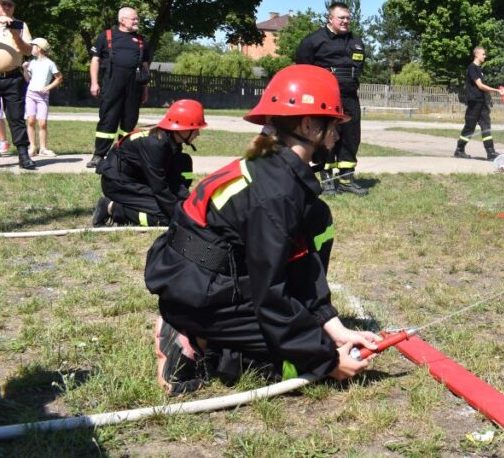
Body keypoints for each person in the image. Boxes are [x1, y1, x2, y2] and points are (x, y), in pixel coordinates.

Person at [144, 65, 379, 395]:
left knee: (308, 334)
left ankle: (202, 328)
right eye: (333, 124)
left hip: (196, 278)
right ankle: (190, 337)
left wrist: (334, 329)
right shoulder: (276, 192)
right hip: (197, 292)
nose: (337, 134)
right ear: (309, 125)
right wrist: (327, 359)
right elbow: (271, 292)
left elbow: (298, 260)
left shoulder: (274, 168)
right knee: (282, 361)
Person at [92, 99, 206, 228]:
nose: (198, 133)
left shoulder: (170, 139)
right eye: (195, 128)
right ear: (183, 128)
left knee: (183, 161)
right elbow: (160, 188)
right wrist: (179, 215)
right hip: (117, 184)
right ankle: (111, 207)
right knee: (165, 217)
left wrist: (187, 204)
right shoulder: (156, 144)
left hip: (136, 180)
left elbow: (171, 180)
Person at [295, 1, 368, 196]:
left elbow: (360, 67)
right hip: (324, 98)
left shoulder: (357, 41)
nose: (345, 21)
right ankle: (326, 179)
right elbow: (302, 69)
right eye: (341, 18)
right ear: (330, 18)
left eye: (348, 18)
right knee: (326, 137)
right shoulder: (313, 40)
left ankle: (346, 179)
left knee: (351, 137)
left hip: (350, 97)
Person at [88, 7, 151, 169]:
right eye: (133, 19)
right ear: (122, 20)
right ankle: (99, 155)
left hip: (134, 86)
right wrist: (94, 83)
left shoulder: (142, 40)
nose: (137, 21)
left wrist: (145, 88)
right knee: (108, 118)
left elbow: (145, 66)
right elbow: (95, 61)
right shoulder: (106, 36)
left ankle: (124, 153)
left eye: (137, 19)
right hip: (112, 83)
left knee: (129, 120)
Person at [0, 0, 37, 170]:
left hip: (13, 78)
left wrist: (14, 33)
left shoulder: (20, 25)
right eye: (3, 4)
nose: (6, 7)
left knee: (16, 118)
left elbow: (28, 51)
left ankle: (23, 155)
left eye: (10, 5)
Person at [454, 46, 504, 160]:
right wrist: (497, 91)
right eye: (483, 54)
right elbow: (480, 86)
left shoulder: (479, 70)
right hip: (474, 103)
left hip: (482, 102)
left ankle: (490, 152)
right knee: (469, 128)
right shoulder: (472, 68)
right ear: (476, 54)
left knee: (486, 126)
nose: (485, 56)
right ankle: (459, 150)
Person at [23, 38, 63, 157]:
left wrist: (48, 87)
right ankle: (32, 147)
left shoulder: (50, 63)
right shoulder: (32, 63)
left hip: (42, 97)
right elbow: (27, 79)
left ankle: (43, 149)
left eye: (33, 46)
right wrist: (25, 69)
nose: (31, 49)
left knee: (42, 123)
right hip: (30, 94)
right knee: (30, 121)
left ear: (39, 48)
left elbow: (59, 78)